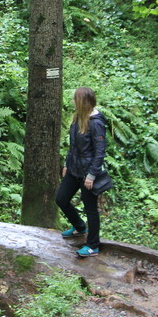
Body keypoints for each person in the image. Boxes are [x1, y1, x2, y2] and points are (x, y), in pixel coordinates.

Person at [56, 87, 107, 257]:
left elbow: (99, 152)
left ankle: (93, 245)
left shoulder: (96, 123)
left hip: (87, 172)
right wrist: (66, 164)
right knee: (61, 199)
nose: (72, 102)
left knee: (90, 208)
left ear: (82, 103)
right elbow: (73, 146)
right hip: (74, 168)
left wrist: (91, 175)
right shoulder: (78, 118)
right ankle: (79, 227)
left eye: (75, 100)